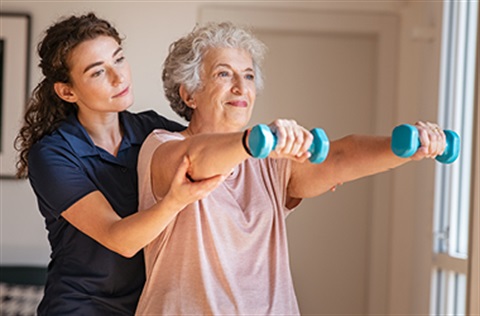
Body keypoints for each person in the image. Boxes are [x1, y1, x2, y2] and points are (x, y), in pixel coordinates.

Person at [134, 22, 447, 315]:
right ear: (188, 93)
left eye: (249, 76)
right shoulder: (162, 146)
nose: (241, 88)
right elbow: (196, 161)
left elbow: (339, 157)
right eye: (223, 75)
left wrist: (407, 146)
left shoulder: (268, 160)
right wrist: (257, 141)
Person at [14, 13, 224, 315]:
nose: (119, 77)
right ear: (67, 91)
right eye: (98, 72)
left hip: (148, 305)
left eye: (119, 59)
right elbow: (120, 239)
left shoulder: (153, 131)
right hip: (80, 306)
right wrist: (174, 201)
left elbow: (206, 149)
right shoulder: (53, 154)